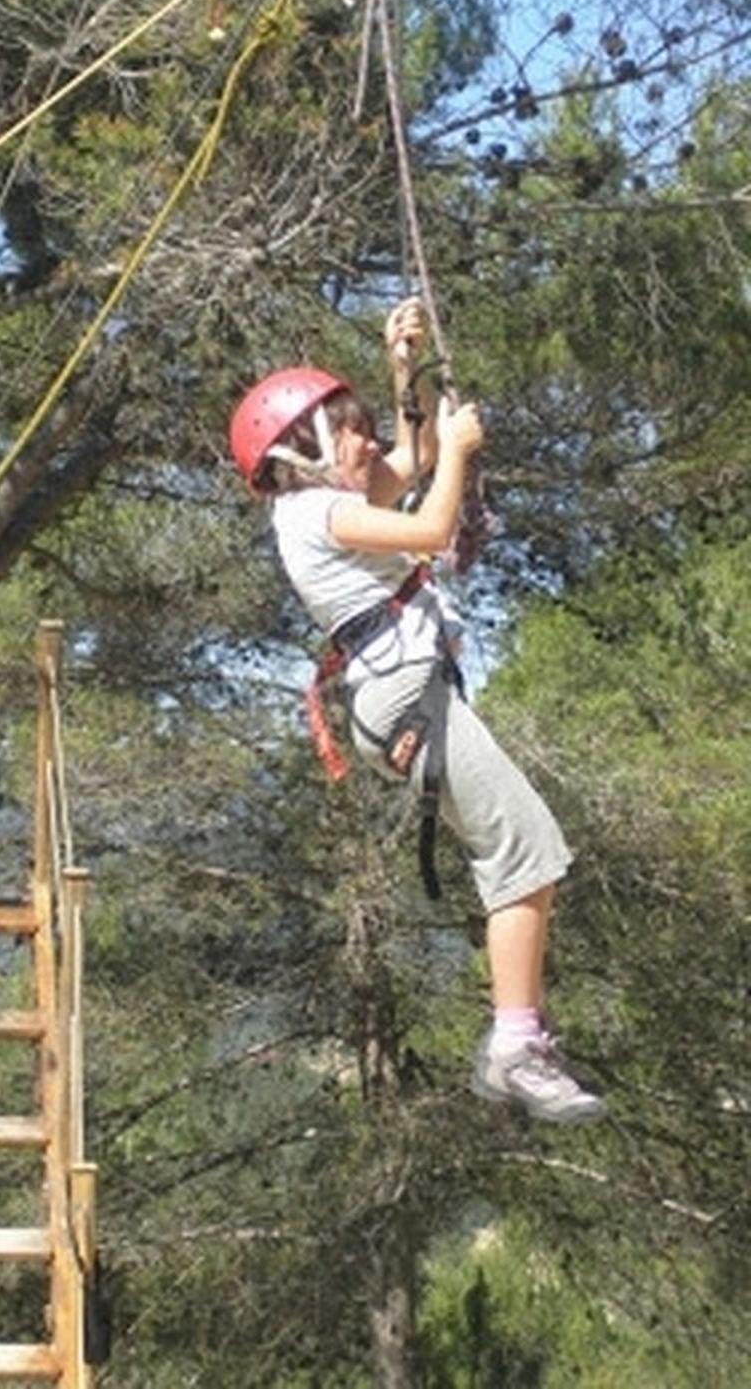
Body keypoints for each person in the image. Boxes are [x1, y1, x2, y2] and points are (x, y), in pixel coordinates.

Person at [228, 301, 605, 1124]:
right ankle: (514, 1044)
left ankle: (519, 1037)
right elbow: (433, 523)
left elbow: (414, 454)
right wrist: (463, 453)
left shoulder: (321, 508)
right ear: (308, 448)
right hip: (406, 694)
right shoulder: (316, 513)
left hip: (402, 692)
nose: (368, 443)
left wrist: (406, 372)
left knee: (523, 850)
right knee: (523, 848)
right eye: (351, 431)